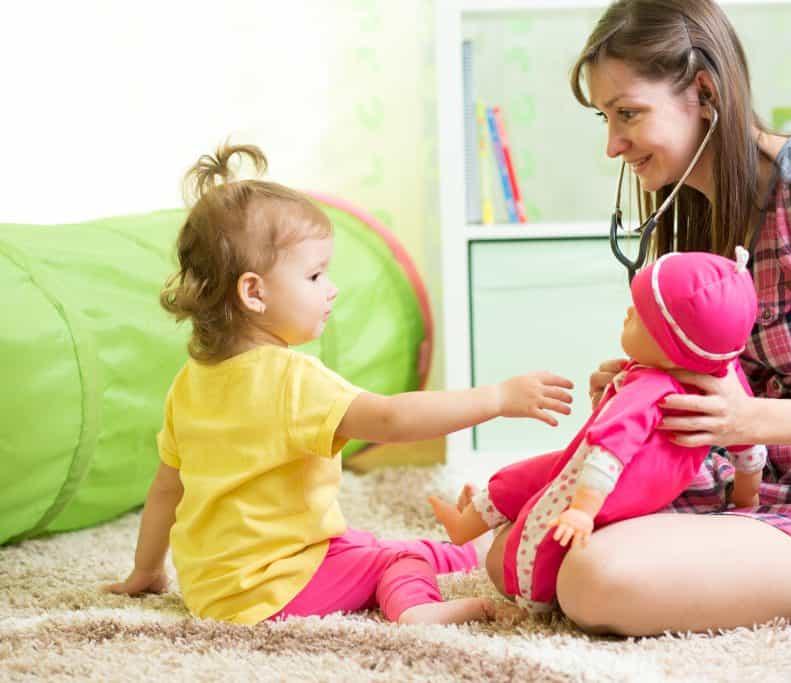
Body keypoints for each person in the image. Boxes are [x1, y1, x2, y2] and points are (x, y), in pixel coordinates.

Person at [474, 0, 791, 636]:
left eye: (628, 113)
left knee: (593, 578)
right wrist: (656, 384)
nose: (612, 145)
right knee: (514, 556)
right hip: (767, 481)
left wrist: (751, 418)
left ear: (705, 93)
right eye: (605, 119)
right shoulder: (710, 213)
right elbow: (732, 385)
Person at [105, 143, 575, 627]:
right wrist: (496, 398)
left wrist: (146, 570)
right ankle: (415, 609)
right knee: (396, 562)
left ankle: (464, 554)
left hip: (213, 588)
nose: (331, 288)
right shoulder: (292, 379)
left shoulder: (189, 383)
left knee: (372, 543)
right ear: (254, 292)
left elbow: (165, 489)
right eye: (314, 275)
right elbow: (391, 419)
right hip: (278, 587)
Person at [429, 248, 767, 614]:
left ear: (671, 353)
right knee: (525, 475)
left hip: (613, 482)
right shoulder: (724, 377)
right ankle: (468, 521)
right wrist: (746, 497)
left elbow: (609, 455)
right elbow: (747, 446)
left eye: (639, 319)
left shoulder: (649, 391)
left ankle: (529, 603)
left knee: (536, 525)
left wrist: (581, 512)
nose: (627, 314)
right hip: (604, 463)